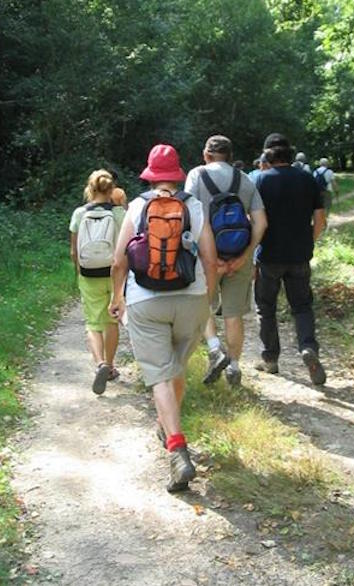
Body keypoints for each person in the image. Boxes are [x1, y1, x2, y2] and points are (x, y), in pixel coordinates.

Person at [109, 144, 218, 493]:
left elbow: (118, 262)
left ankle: (175, 446)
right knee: (175, 368)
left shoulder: (138, 206)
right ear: (177, 174)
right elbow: (211, 258)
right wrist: (209, 297)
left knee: (159, 374)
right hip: (191, 298)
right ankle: (167, 424)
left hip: (145, 301)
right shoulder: (194, 205)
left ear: (150, 175)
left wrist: (117, 297)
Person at [185, 135, 267, 387]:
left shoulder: (196, 175)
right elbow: (261, 222)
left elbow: (189, 216)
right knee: (233, 315)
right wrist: (245, 256)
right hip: (238, 255)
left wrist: (209, 259)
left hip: (207, 258)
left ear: (206, 155)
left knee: (203, 306)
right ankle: (234, 367)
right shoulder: (244, 179)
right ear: (230, 156)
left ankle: (214, 349)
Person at [255, 133, 327, 385]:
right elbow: (320, 220)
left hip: (270, 256)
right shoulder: (308, 179)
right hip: (300, 255)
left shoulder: (261, 181)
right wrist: (309, 242)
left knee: (266, 308)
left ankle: (270, 359)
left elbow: (255, 221)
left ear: (267, 156)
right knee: (302, 306)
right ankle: (308, 348)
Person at [69, 169, 126, 395]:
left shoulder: (79, 213)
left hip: (89, 273)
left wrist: (79, 272)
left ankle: (100, 363)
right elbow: (126, 249)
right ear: (111, 190)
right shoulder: (120, 214)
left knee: (93, 322)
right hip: (114, 273)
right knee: (111, 321)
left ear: (90, 189)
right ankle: (110, 367)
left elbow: (74, 250)